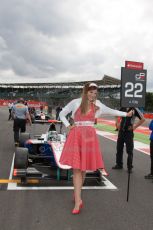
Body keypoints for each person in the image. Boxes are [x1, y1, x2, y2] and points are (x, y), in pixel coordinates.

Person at [59, 83, 133, 214]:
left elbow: (111, 111)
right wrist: (68, 125)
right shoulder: (75, 102)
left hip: (89, 137)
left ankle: (77, 193)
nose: (93, 95)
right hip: (76, 135)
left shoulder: (98, 104)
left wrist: (126, 114)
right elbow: (62, 114)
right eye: (91, 92)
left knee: (83, 168)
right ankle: (78, 201)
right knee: (77, 169)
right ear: (85, 91)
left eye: (95, 93)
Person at [112, 107, 145, 173]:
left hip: (129, 133)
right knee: (119, 149)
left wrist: (134, 127)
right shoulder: (122, 108)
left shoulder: (135, 109)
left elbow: (143, 119)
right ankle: (119, 164)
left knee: (129, 151)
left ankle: (129, 167)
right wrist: (117, 123)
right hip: (121, 132)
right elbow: (116, 115)